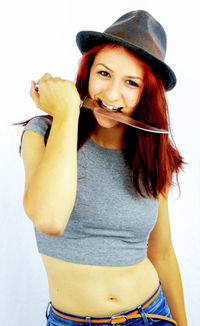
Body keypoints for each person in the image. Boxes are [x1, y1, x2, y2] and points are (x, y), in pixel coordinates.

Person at [18, 10, 187, 326]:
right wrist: (68, 110)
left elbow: (162, 253)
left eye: (131, 83)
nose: (111, 94)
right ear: (87, 72)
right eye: (104, 74)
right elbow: (50, 219)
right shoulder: (42, 133)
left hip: (152, 314)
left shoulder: (154, 155)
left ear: (148, 93)